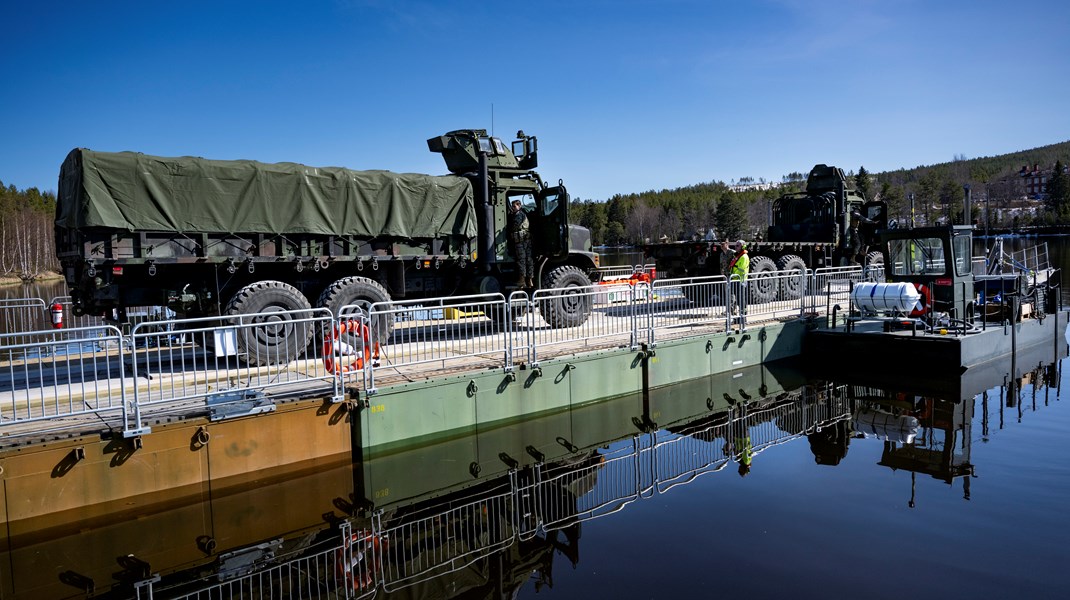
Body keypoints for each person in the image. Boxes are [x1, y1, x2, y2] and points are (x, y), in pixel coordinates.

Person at [509, 199, 534, 288]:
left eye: (514, 206)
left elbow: (514, 226)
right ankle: (529, 279)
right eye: (512, 206)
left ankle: (522, 280)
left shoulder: (519, 215)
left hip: (521, 242)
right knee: (528, 260)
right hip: (526, 240)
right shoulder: (523, 214)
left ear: (519, 206)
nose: (513, 208)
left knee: (522, 260)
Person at [727, 240, 750, 316]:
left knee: (741, 300)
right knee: (739, 300)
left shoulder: (743, 257)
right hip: (735, 280)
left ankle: (743, 317)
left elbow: (741, 269)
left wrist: (733, 274)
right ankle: (741, 316)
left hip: (740, 280)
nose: (735, 247)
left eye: (738, 246)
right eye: (735, 245)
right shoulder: (737, 255)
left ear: (743, 247)